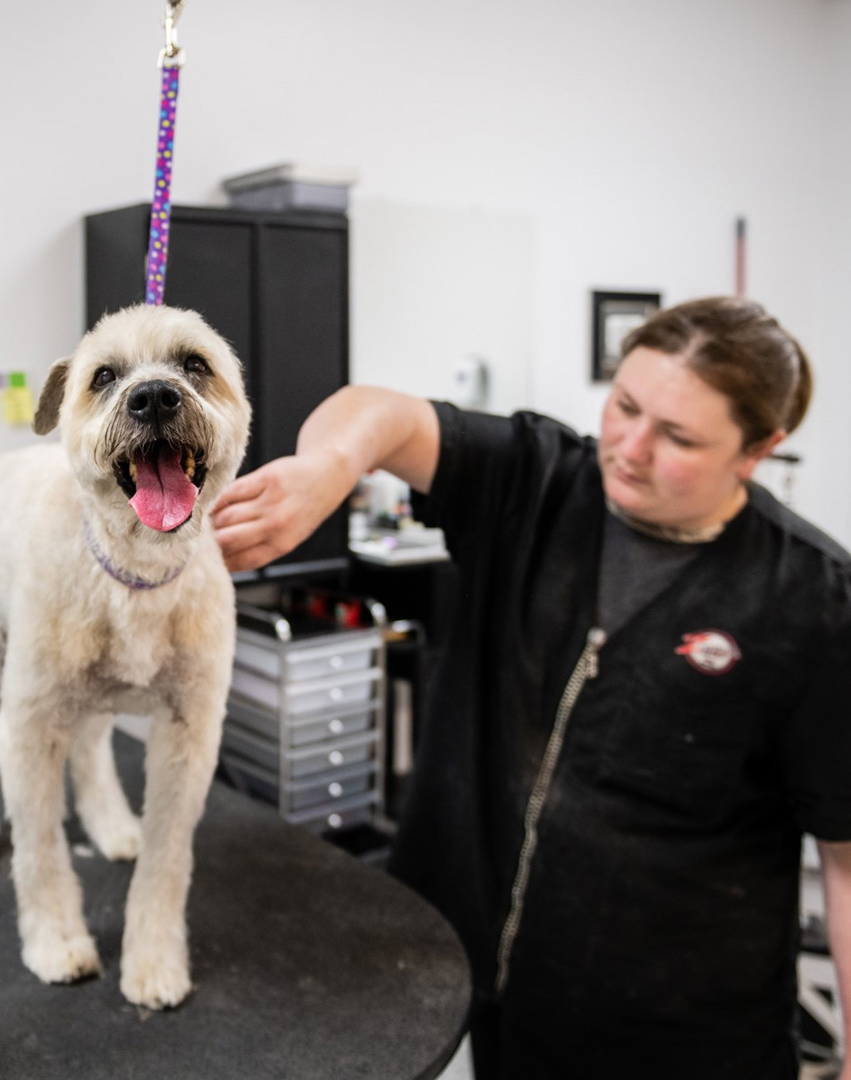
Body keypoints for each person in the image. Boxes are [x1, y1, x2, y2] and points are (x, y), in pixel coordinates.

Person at [211, 296, 851, 1080]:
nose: (631, 447)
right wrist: (326, 469)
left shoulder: (812, 601)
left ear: (759, 450)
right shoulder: (539, 482)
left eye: (677, 437)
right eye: (624, 406)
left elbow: (847, 855)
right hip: (498, 994)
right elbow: (379, 412)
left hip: (682, 1032)